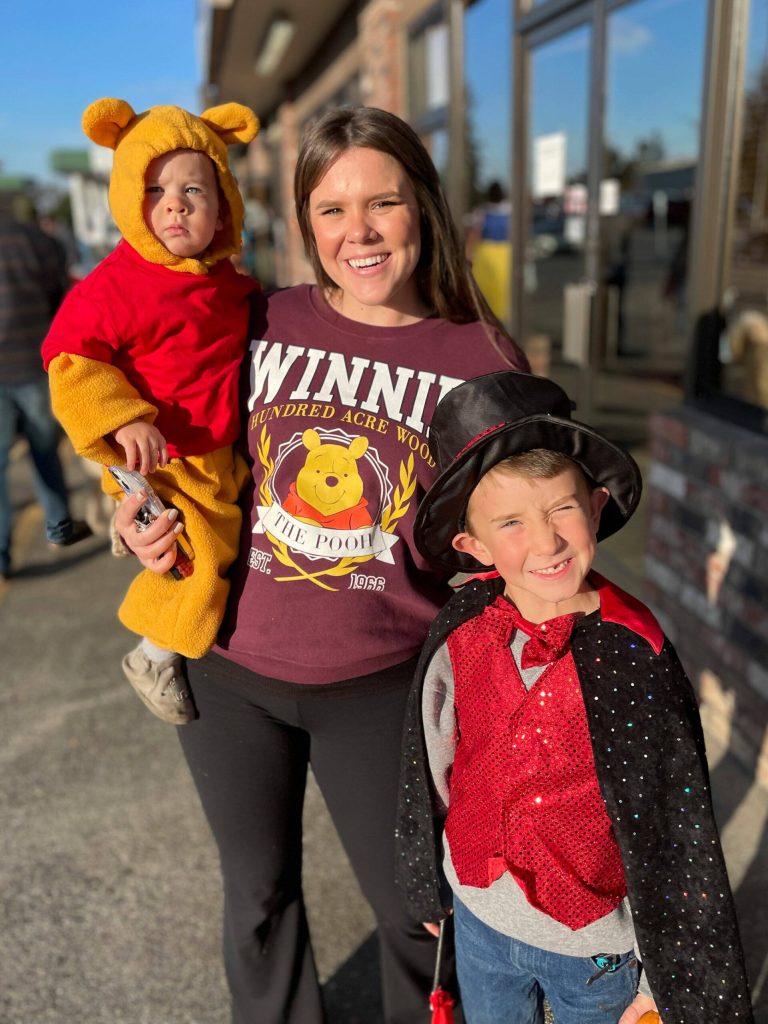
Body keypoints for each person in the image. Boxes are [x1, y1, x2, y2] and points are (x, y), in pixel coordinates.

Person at [115, 105, 530, 1024]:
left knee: (413, 915)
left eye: (381, 203)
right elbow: (178, 453)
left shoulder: (481, 357)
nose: (360, 233)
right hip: (227, 673)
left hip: (383, 689)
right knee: (257, 901)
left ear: (421, 207)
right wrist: (134, 517)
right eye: (332, 210)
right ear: (305, 223)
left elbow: (522, 538)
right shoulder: (257, 317)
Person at [395, 370, 754, 1024]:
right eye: (510, 521)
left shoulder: (633, 653)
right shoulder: (461, 628)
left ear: (595, 505)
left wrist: (666, 979)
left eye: (562, 507)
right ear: (470, 545)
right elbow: (430, 761)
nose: (547, 541)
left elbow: (675, 828)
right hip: (479, 915)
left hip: (594, 953)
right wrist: (428, 873)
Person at [41, 97, 261, 724]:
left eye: (196, 186)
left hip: (214, 452)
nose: (176, 203)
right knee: (192, 560)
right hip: (157, 456)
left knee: (226, 538)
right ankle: (153, 653)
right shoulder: (116, 283)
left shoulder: (228, 283)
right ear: (127, 198)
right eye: (155, 188)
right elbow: (71, 362)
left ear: (224, 203)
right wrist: (123, 418)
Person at [0, 204, 92, 583]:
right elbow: (61, 293)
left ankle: (2, 558)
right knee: (44, 451)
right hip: (35, 361)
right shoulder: (36, 239)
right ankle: (58, 528)